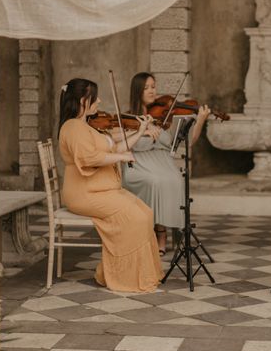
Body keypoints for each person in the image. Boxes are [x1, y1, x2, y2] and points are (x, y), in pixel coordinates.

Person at [58, 78, 163, 293]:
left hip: (102, 189)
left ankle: (121, 273)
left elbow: (116, 147)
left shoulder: (87, 126)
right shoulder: (72, 127)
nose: (99, 101)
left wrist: (140, 130)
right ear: (81, 100)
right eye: (93, 97)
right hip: (85, 193)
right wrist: (121, 158)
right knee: (135, 218)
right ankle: (123, 277)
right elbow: (89, 158)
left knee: (145, 212)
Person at [121, 72, 211, 255]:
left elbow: (188, 142)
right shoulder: (128, 117)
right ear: (137, 91)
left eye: (153, 86)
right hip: (139, 165)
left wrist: (200, 120)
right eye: (146, 88)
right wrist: (142, 131)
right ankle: (157, 234)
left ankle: (172, 231)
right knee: (156, 181)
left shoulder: (162, 118)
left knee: (175, 180)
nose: (152, 91)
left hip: (163, 164)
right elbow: (120, 144)